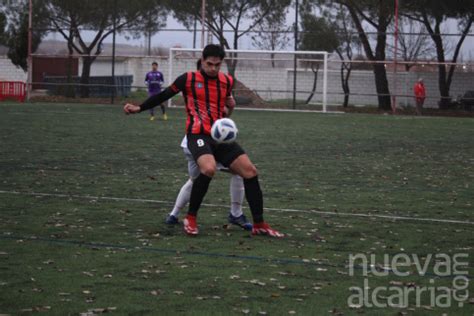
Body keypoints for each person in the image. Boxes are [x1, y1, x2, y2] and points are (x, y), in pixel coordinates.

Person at [124, 44, 283, 238]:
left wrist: (230, 109)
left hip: (219, 138)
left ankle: (259, 223)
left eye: (217, 65)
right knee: (207, 169)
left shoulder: (227, 82)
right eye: (210, 64)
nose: (214, 68)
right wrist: (138, 108)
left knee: (250, 171)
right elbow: (164, 95)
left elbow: (224, 111)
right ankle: (190, 218)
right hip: (197, 135)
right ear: (203, 60)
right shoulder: (188, 79)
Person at [166, 59, 252, 231]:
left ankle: (173, 214)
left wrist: (231, 107)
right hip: (200, 144)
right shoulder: (197, 91)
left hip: (202, 143)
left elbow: (223, 119)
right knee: (205, 177)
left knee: (200, 178)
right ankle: (234, 214)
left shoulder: (216, 90)